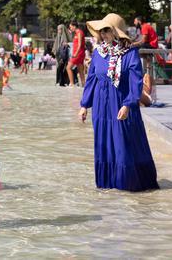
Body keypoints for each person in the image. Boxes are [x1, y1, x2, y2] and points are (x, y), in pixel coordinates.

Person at [79, 13, 159, 192]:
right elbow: (92, 79)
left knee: (123, 142)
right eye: (101, 31)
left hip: (121, 103)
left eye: (107, 30)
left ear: (116, 33)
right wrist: (84, 105)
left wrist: (128, 104)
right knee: (104, 143)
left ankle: (127, 184)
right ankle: (108, 185)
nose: (103, 34)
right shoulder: (98, 53)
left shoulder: (130, 53)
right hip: (101, 106)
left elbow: (136, 80)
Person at [67, 20, 86, 87]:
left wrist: (75, 54)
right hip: (79, 53)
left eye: (71, 27)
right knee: (80, 70)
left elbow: (80, 44)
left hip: (78, 54)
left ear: (74, 26)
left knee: (68, 67)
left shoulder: (79, 32)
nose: (70, 28)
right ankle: (84, 84)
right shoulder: (76, 33)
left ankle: (72, 84)